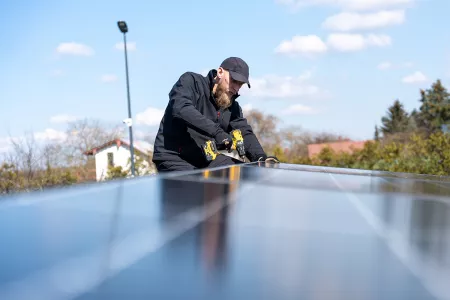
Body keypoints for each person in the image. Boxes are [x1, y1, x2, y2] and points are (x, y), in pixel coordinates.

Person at [152, 57, 279, 172]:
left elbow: (244, 132)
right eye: (234, 81)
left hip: (204, 159)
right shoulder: (191, 82)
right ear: (220, 72)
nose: (236, 88)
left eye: (240, 84)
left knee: (240, 173)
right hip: (173, 157)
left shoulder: (232, 106)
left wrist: (261, 158)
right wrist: (217, 132)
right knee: (195, 188)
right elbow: (181, 108)